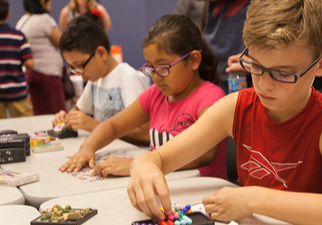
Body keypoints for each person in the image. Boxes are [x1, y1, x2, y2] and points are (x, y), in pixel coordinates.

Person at [127, 0, 322, 224]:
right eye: (255, 65)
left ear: (321, 64)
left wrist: (254, 199)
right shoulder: (237, 106)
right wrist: (144, 167)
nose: (264, 84)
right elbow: (157, 159)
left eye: (283, 73)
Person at [58, 14, 228, 180]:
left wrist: (138, 163)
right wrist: (88, 146)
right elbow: (113, 126)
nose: (155, 76)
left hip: (201, 195)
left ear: (193, 60)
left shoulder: (211, 97)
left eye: (163, 67)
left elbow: (205, 152)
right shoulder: (155, 94)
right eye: (151, 67)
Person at [52, 16, 150, 141]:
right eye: (73, 68)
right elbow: (77, 111)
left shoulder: (129, 78)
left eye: (80, 65)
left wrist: (93, 125)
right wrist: (65, 118)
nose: (79, 73)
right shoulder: (95, 79)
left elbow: (145, 134)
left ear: (101, 53)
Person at [16, 0, 66, 115]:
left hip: (33, 74)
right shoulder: (44, 19)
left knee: (40, 113)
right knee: (58, 114)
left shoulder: (23, 20)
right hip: (48, 76)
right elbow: (62, 42)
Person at [0, 0, 34, 118]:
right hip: (16, 90)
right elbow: (30, 62)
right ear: (8, 14)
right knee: (26, 126)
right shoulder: (18, 36)